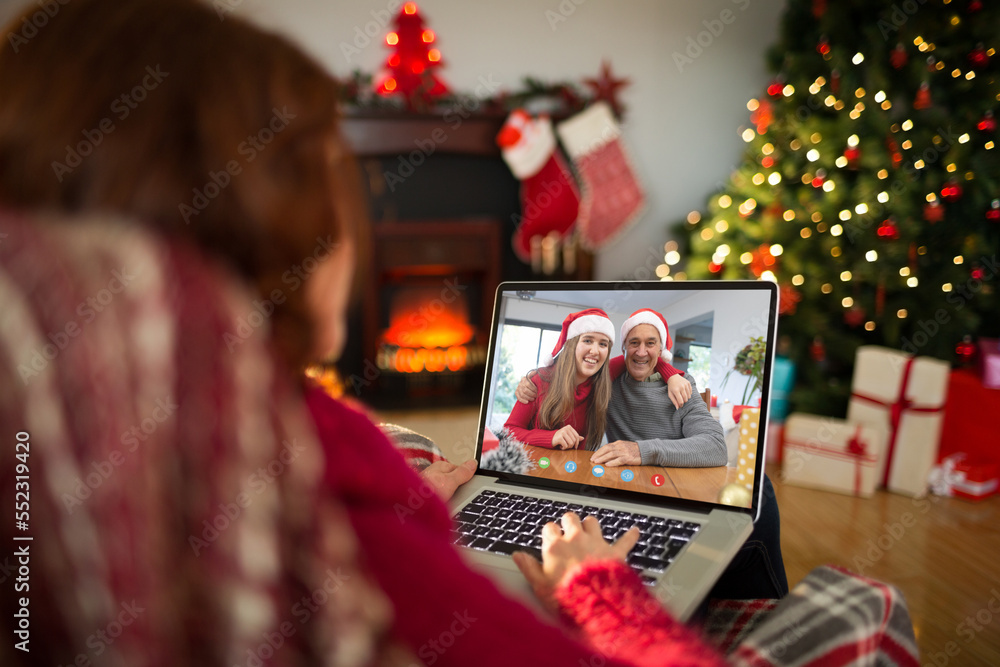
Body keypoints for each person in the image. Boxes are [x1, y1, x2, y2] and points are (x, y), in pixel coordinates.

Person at [0, 1, 733, 665]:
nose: (613, 351)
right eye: (331, 179)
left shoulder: (49, 432)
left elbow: (689, 423)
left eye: (623, 345)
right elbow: (508, 440)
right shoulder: (323, 485)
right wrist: (600, 588)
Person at [593, 308, 727, 468]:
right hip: (622, 477)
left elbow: (716, 447)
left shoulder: (683, 385)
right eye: (634, 343)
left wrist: (641, 451)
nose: (641, 352)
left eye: (650, 343)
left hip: (670, 479)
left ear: (660, 350)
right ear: (624, 348)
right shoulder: (607, 383)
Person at [503, 308, 616, 450]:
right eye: (587, 340)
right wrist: (550, 437)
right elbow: (508, 432)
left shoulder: (601, 383)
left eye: (603, 344)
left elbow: (642, 358)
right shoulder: (540, 380)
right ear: (570, 345)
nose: (595, 351)